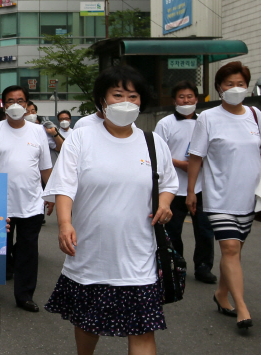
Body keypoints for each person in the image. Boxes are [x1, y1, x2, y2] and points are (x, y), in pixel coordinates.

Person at [43, 65, 177, 355]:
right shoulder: (81, 138)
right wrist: (65, 223)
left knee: (142, 331)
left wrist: (165, 203)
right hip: (91, 254)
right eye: (117, 95)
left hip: (139, 256)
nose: (126, 102)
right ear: (101, 101)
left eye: (133, 95)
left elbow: (168, 183)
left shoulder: (153, 143)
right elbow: (65, 185)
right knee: (88, 326)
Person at [187, 61, 261, 330]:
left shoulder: (255, 115)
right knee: (230, 248)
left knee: (235, 251)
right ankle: (242, 307)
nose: (235, 88)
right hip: (219, 196)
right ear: (219, 87)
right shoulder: (208, 117)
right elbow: (196, 157)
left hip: (249, 196)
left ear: (247, 86)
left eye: (240, 84)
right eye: (229, 84)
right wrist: (191, 192)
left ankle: (221, 294)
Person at [0, 85, 54, 311]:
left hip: (32, 202)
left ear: (27, 105)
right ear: (3, 104)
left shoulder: (38, 131)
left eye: (20, 101)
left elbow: (46, 168)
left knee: (28, 251)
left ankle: (24, 295)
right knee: (0, 247)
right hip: (1, 203)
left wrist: (51, 195)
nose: (16, 105)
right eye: (10, 101)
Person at [154, 81, 217, 284]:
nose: (186, 100)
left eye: (190, 96)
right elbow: (158, 152)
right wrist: (181, 164)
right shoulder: (165, 124)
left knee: (205, 229)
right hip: (174, 188)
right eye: (181, 97)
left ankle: (203, 266)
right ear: (174, 100)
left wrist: (197, 166)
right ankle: (176, 263)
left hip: (202, 186)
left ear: (196, 99)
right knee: (173, 229)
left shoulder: (206, 122)